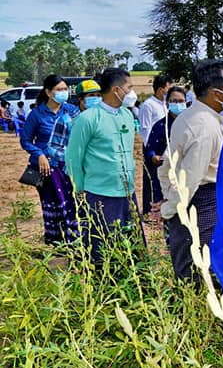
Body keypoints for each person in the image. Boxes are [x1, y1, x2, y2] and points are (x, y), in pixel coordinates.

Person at [159, 60, 223, 283]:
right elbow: (190, 179)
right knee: (200, 269)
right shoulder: (205, 127)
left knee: (192, 264)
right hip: (199, 203)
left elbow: (168, 163)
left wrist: (167, 194)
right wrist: (170, 210)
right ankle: (197, 312)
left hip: (197, 200)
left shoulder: (192, 117)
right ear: (216, 93)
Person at [65, 68, 143, 267]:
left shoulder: (126, 115)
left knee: (134, 244)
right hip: (100, 194)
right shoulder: (88, 119)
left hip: (127, 192)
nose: (132, 92)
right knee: (104, 247)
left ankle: (138, 287)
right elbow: (74, 158)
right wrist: (80, 189)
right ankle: (106, 287)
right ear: (116, 90)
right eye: (129, 88)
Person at [19, 74, 81, 246]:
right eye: (59, 89)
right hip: (46, 167)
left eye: (65, 89)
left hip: (69, 165)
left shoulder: (71, 110)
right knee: (52, 203)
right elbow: (25, 140)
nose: (64, 92)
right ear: (48, 92)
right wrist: (39, 154)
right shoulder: (37, 114)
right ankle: (55, 240)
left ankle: (73, 239)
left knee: (71, 202)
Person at [144, 86, 187, 221]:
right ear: (167, 103)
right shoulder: (160, 126)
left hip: (186, 174)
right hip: (166, 175)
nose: (178, 104)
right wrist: (153, 157)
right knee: (168, 212)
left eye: (181, 101)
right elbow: (149, 149)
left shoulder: (191, 124)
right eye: (174, 101)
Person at [139, 74, 174, 215]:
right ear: (160, 89)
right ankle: (150, 209)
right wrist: (151, 152)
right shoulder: (148, 105)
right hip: (154, 148)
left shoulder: (166, 104)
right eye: (168, 88)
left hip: (166, 147)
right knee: (152, 180)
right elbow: (145, 129)